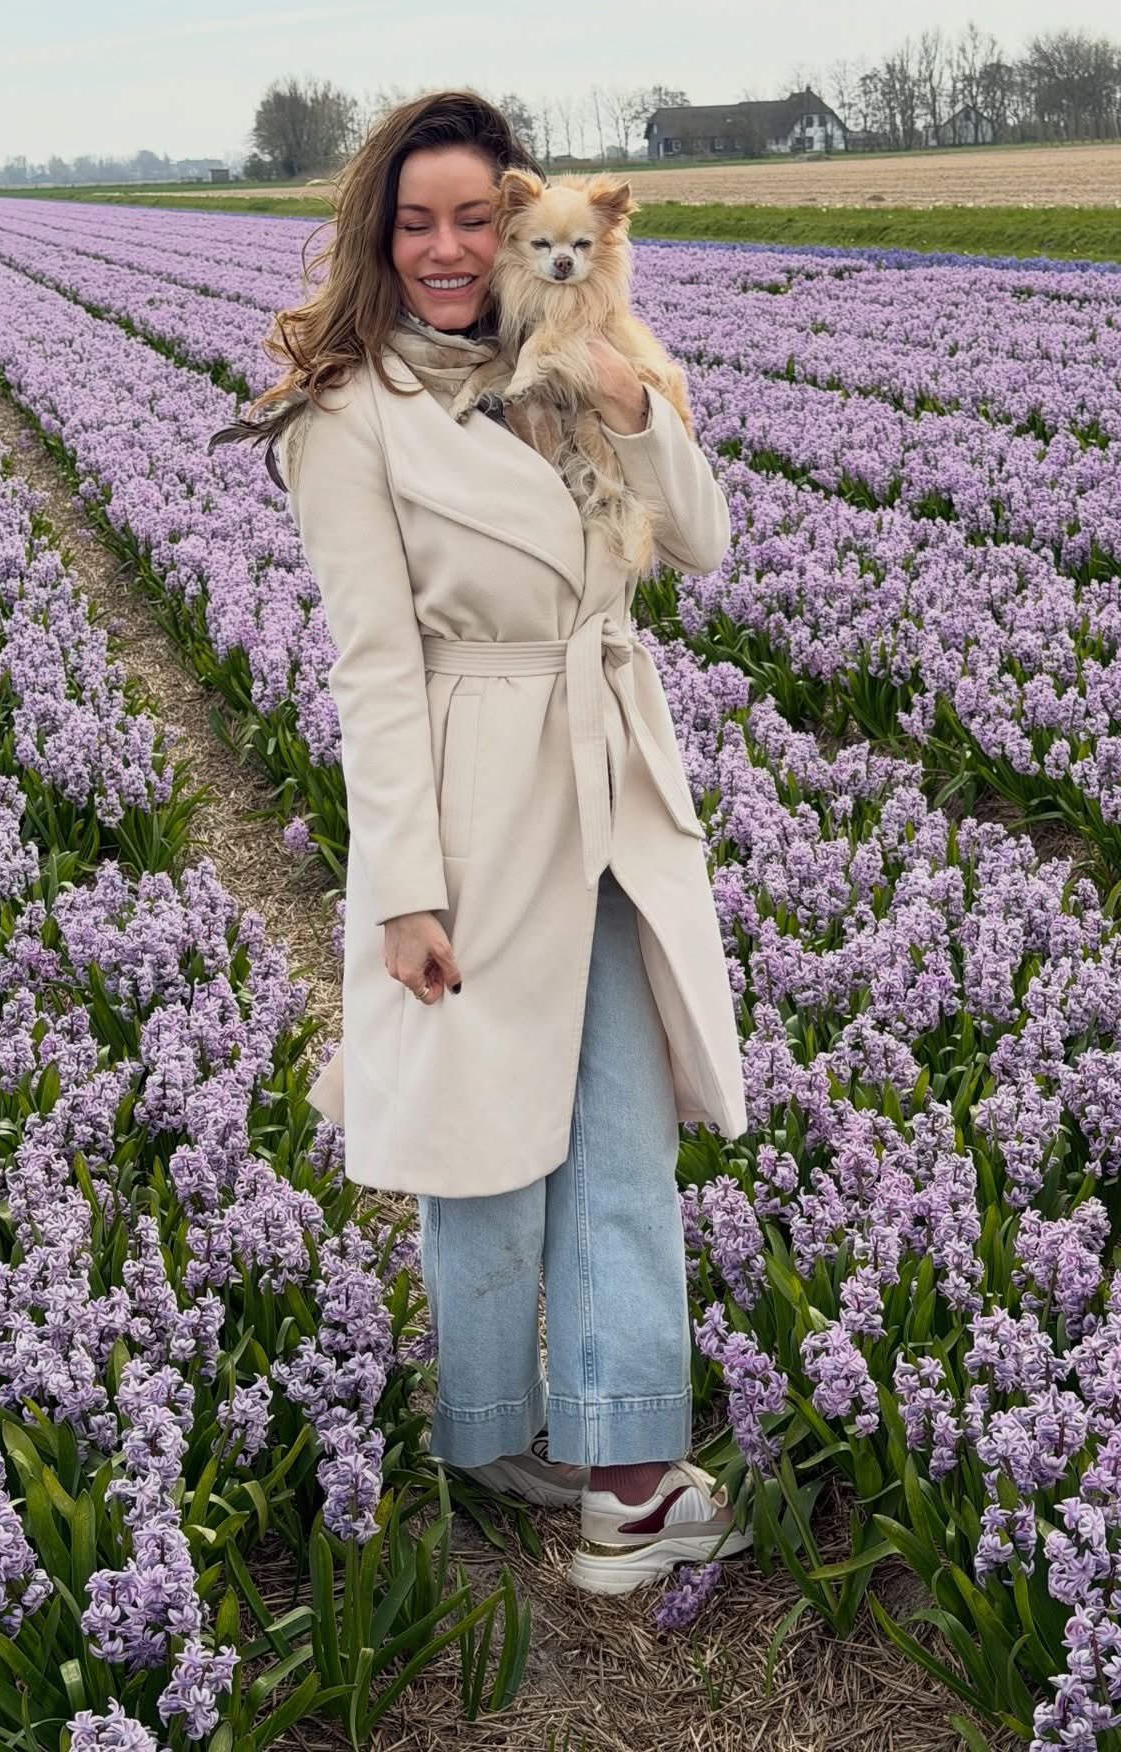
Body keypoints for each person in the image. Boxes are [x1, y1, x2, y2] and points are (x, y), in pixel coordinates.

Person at [212, 89, 750, 1593]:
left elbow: (699, 545)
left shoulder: (589, 362)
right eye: (418, 219)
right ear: (378, 234)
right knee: (481, 1150)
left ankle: (627, 1472)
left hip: (608, 777)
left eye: (478, 218)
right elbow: (372, 665)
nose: (452, 248)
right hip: (470, 787)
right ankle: (501, 1432)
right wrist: (401, 890)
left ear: (520, 224)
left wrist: (629, 401)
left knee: (619, 1129)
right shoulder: (345, 415)